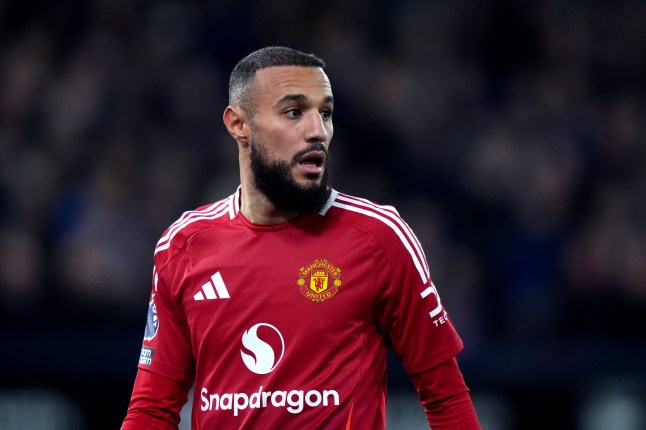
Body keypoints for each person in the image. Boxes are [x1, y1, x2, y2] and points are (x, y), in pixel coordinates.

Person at [122, 46, 480, 429]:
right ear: (238, 124)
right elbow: (152, 411)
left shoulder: (380, 237)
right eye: (294, 112)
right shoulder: (184, 245)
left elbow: (446, 399)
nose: (317, 131)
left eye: (325, 113)